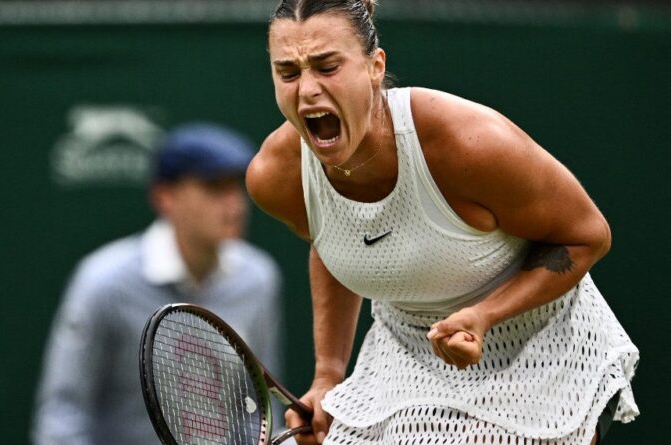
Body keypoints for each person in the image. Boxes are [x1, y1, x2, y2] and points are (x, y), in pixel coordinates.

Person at [246, 1, 639, 445]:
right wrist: (327, 377)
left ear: (375, 67)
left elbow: (588, 237)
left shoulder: (468, 144)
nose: (307, 90)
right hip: (408, 355)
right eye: (289, 73)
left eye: (327, 66)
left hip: (543, 349)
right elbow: (337, 244)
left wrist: (483, 316)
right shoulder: (276, 176)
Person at [32, 122, 284, 445]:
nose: (234, 204)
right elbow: (63, 416)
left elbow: (260, 410)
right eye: (213, 188)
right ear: (165, 197)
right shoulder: (102, 282)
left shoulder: (259, 279)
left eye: (236, 187)